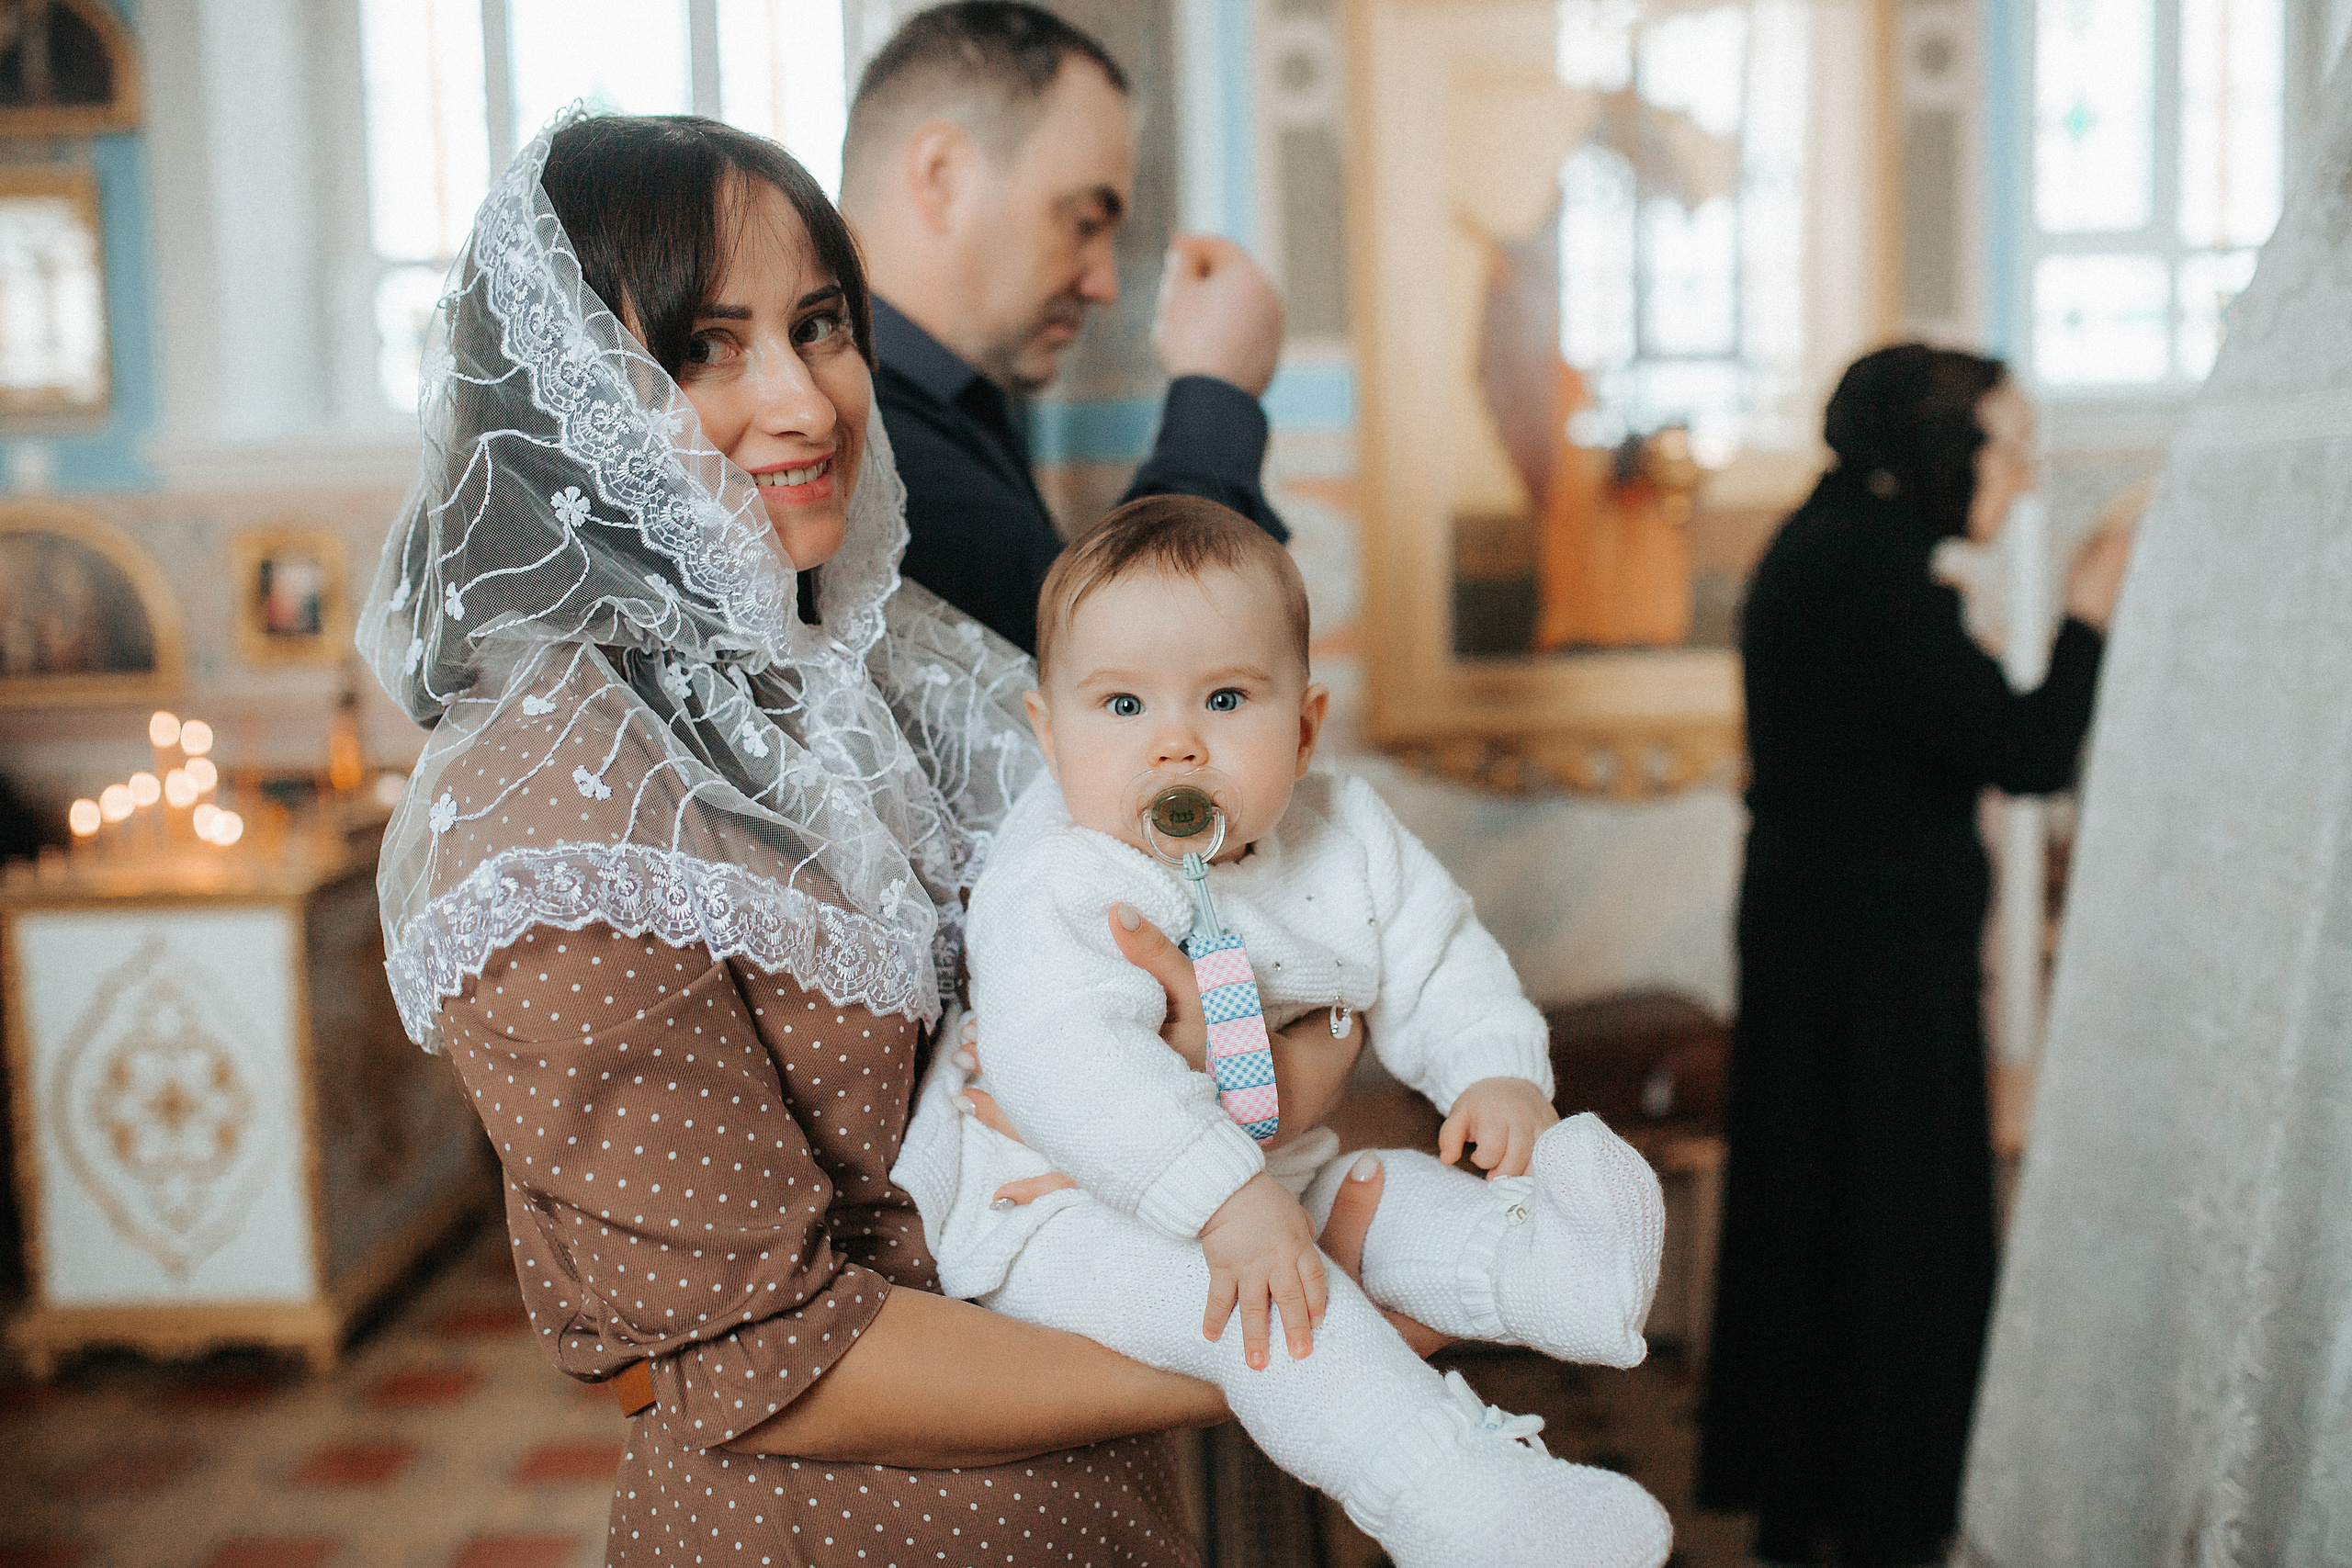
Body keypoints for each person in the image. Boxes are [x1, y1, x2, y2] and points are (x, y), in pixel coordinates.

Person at [358, 109, 1393, 1566]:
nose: (803, 399)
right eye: (708, 346)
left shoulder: (887, 662)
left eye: (820, 324)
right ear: (574, 397)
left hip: (1095, 1493)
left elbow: (1181, 930)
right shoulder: (544, 815)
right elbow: (776, 1358)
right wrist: (1308, 1346)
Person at [896, 495, 1672, 1568]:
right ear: (1048, 731)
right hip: (1062, 1216)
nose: (1174, 741)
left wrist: (1495, 1074)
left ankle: (1547, 1269)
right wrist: (1225, 1205)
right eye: (1120, 705)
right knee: (1270, 1315)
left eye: (1223, 698)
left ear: (1302, 728)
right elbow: (1075, 1068)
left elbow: (1437, 953)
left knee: (1387, 1193)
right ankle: (1457, 1502)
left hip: (1271, 1172)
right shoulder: (1061, 883)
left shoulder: (1342, 834)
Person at [1697, 344, 2135, 1566]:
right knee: (1891, 1239)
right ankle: (1884, 1518)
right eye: (2011, 442)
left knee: (1818, 1222)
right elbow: (2032, 745)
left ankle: (1811, 1504)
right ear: (1940, 445)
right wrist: (2094, 596)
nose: (2026, 471)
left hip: (1826, 945)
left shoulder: (1831, 544)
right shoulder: (1874, 571)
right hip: (1874, 964)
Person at [838, 1, 1288, 654]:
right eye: (1082, 222)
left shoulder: (947, 404)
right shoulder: (854, 437)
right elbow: (1127, 670)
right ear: (942, 176)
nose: (1102, 284)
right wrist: (1215, 390)